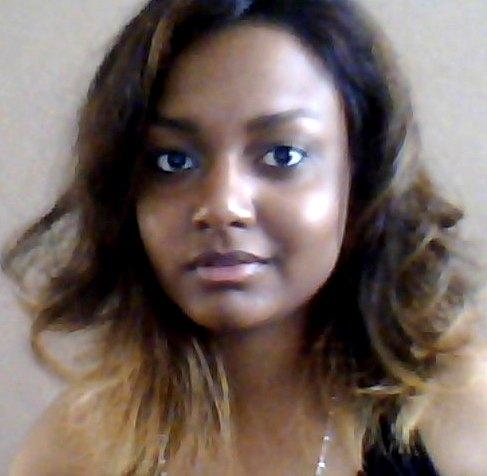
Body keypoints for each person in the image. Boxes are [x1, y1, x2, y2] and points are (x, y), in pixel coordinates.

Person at [4, 0, 487, 474]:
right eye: (174, 160)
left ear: (362, 180)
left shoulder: (461, 419)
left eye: (282, 156)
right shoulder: (72, 454)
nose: (222, 206)